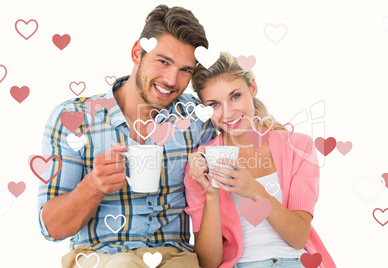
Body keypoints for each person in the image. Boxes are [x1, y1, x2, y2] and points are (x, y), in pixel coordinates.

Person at [37, 5, 215, 268]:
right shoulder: (74, 117)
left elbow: (241, 123)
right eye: (163, 61)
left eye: (185, 70)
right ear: (137, 53)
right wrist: (93, 186)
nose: (171, 80)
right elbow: (51, 228)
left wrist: (270, 127)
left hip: (176, 257)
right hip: (100, 256)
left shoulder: (195, 119)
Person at [184, 52, 335, 268]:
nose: (228, 113)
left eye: (235, 96)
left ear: (252, 88)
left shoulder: (298, 147)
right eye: (214, 105)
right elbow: (209, 263)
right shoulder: (200, 162)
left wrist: (254, 190)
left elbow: (299, 237)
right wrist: (210, 194)